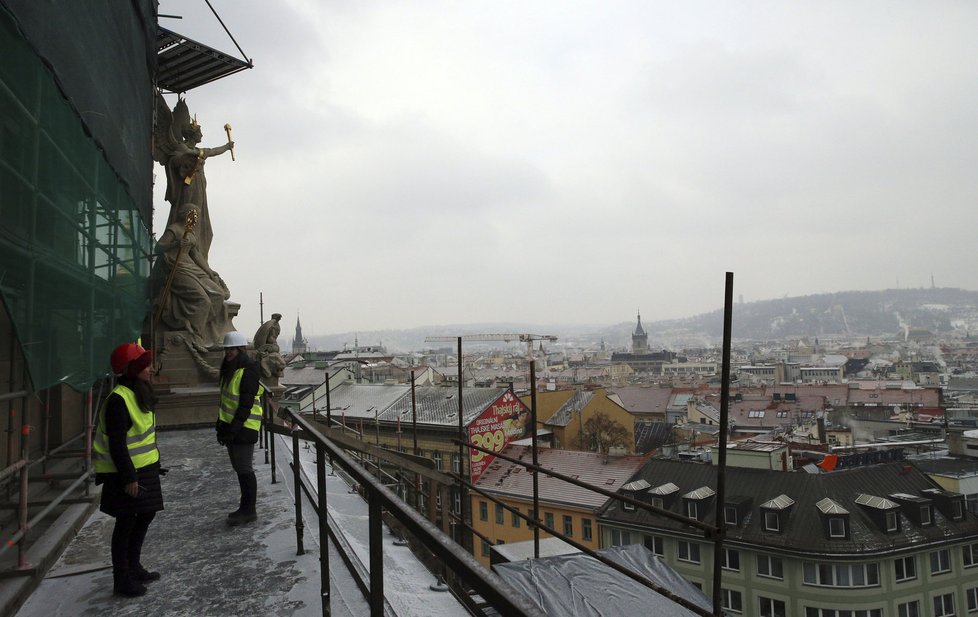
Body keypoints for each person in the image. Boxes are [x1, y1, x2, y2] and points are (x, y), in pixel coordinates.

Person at [93, 343, 165, 597]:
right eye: (146, 365)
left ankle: (134, 566)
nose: (151, 369)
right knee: (125, 524)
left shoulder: (139, 391)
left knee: (145, 515)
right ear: (134, 369)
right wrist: (128, 476)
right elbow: (117, 444)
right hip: (126, 473)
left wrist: (155, 464)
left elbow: (143, 436)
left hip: (145, 468)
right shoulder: (119, 399)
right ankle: (121, 579)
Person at [154, 202, 230, 350]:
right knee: (203, 301)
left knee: (218, 294)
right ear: (186, 214)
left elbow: (195, 255)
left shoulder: (191, 232)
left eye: (197, 216)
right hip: (177, 268)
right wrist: (176, 243)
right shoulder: (174, 229)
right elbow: (158, 248)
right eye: (193, 215)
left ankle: (197, 323)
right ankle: (196, 337)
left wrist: (209, 272)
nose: (196, 218)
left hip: (191, 267)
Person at [215, 331, 264, 525]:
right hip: (232, 427)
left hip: (244, 428)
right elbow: (227, 401)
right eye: (227, 349)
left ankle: (249, 510)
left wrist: (233, 429)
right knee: (239, 468)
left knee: (244, 469)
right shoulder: (231, 369)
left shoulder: (248, 369)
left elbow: (245, 404)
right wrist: (221, 426)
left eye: (232, 349)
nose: (229, 352)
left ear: (240, 349)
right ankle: (244, 507)